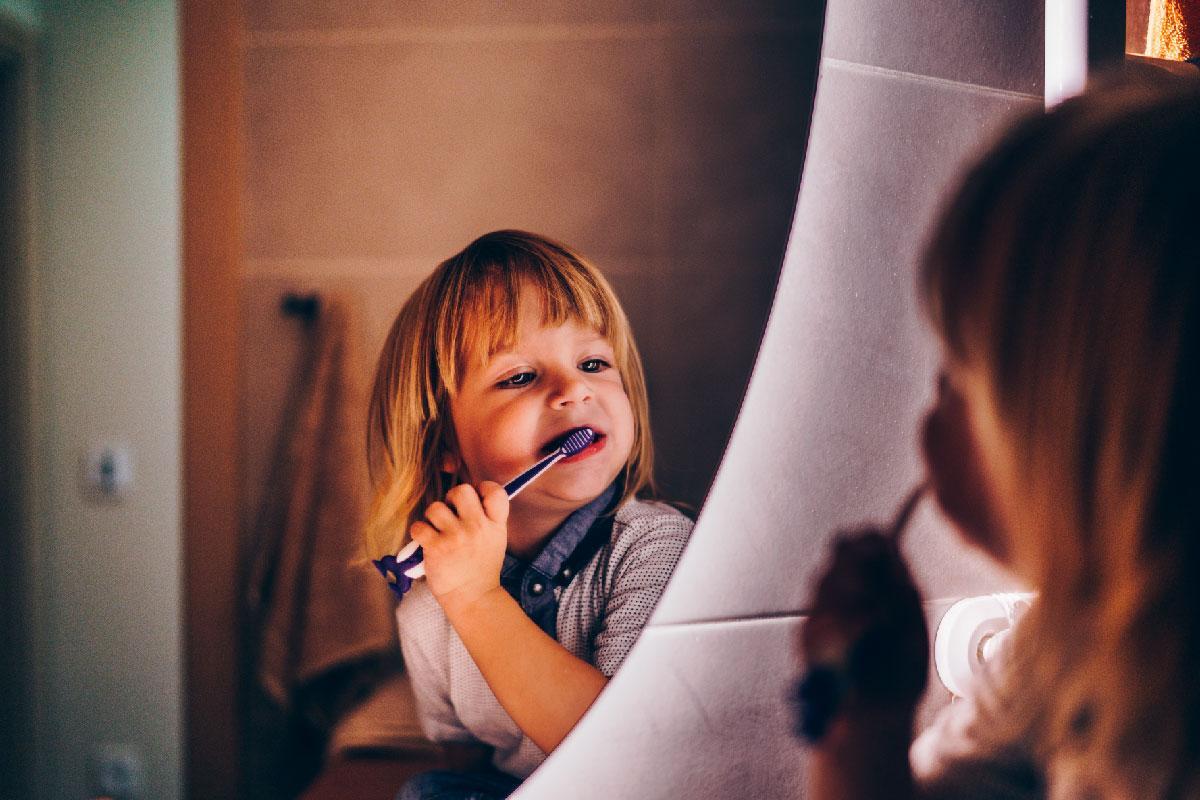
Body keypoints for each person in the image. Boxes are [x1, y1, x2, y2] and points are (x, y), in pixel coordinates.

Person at [799, 75, 1200, 800]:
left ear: (1078, 428)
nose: (933, 408)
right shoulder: (1061, 645)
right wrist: (867, 728)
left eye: (960, 370)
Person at [364, 230, 693, 799]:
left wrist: (478, 601)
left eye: (593, 362)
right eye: (519, 376)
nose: (573, 390)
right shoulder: (428, 604)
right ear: (444, 441)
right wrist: (460, 597)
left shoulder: (655, 547)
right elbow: (465, 758)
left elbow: (630, 755)